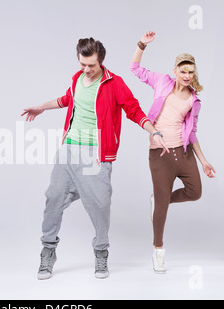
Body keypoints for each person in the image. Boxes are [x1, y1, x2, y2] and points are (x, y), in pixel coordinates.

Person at [22, 38, 168, 280]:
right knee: (53, 201)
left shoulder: (114, 83)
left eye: (91, 65)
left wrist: (153, 131)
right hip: (68, 151)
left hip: (96, 155)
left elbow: (133, 109)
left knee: (100, 207)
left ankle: (101, 252)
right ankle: (48, 251)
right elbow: (67, 99)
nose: (86, 70)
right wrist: (41, 107)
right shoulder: (77, 79)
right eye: (82, 64)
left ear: (101, 62)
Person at [130, 31, 216, 274]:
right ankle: (158, 249)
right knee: (162, 207)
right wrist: (142, 45)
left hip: (184, 152)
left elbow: (192, 132)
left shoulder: (193, 100)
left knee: (195, 192)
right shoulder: (161, 82)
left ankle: (159, 199)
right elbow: (135, 68)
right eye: (183, 71)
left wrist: (204, 161)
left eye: (191, 72)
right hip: (160, 153)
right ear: (175, 71)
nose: (187, 76)